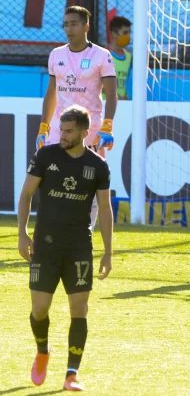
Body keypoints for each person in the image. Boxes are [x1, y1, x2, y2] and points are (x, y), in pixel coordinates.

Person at [18, 106, 113, 391]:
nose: (63, 135)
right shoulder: (46, 156)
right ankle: (43, 350)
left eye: (69, 131)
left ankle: (71, 374)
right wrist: (22, 233)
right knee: (39, 310)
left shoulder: (97, 166)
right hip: (45, 247)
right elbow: (26, 195)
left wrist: (108, 251)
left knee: (79, 309)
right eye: (61, 129)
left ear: (86, 132)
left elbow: (105, 210)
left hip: (78, 247)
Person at [36, 6, 117, 230]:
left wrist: (107, 127)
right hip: (58, 129)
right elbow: (51, 93)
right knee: (49, 176)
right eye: (66, 24)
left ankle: (85, 232)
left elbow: (111, 94)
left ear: (86, 27)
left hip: (90, 130)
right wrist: (43, 127)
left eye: (74, 23)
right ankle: (48, 230)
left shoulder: (102, 56)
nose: (69, 28)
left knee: (90, 181)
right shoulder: (56, 55)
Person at [107, 16, 132, 100]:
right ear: (114, 34)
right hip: (105, 104)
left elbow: (123, 83)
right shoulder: (104, 54)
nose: (128, 36)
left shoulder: (128, 57)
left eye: (129, 32)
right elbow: (97, 82)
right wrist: (117, 97)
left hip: (121, 104)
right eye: (125, 33)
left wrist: (125, 97)